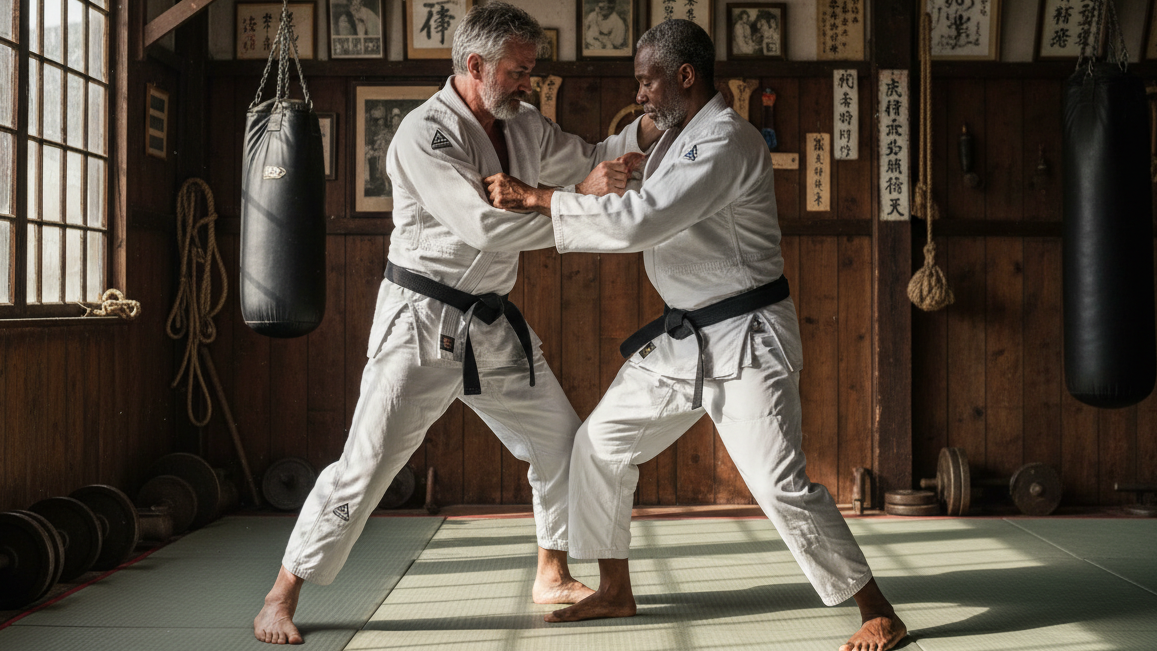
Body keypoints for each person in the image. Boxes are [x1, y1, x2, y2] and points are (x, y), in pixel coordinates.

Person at [484, 19, 908, 651]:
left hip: (746, 336)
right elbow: (608, 159)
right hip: (683, 341)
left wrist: (538, 199)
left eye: (648, 80)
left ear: (685, 76)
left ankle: (877, 608)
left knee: (778, 483)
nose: (641, 94)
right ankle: (615, 590)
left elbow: (640, 220)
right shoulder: (670, 139)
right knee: (598, 445)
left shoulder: (726, 143)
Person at [253, 2, 659, 645]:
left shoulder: (520, 122)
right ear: (477, 66)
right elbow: (481, 224)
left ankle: (551, 572)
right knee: (366, 466)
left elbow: (588, 154)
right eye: (519, 71)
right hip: (419, 321)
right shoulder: (423, 134)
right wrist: (581, 197)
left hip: (492, 327)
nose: (530, 82)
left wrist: (642, 134)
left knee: (560, 442)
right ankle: (281, 594)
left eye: (530, 70)